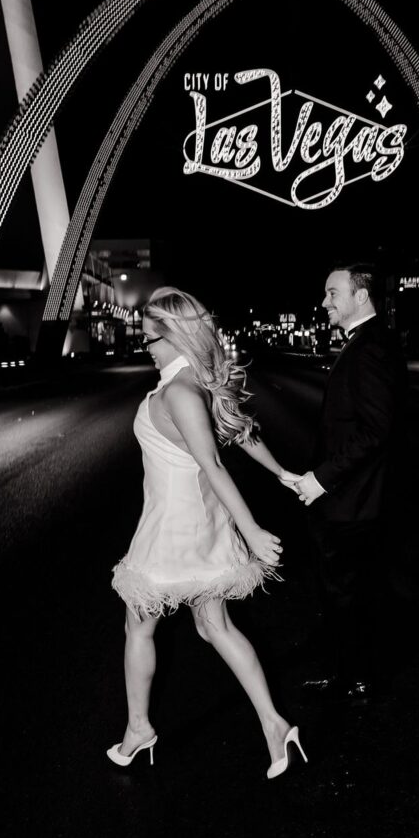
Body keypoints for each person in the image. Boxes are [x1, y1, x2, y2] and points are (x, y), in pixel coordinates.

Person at [109, 287, 307, 779]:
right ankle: (274, 725)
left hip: (173, 526)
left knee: (139, 625)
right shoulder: (196, 382)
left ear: (175, 336)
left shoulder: (178, 391)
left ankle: (138, 730)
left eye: (151, 337)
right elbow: (240, 431)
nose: (146, 345)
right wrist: (282, 473)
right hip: (201, 522)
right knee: (213, 626)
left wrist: (255, 531)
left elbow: (214, 462)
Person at [293, 262, 419, 702]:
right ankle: (364, 668)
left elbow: (376, 430)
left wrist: (322, 479)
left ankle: (357, 679)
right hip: (360, 495)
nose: (325, 302)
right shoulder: (367, 343)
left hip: (356, 498)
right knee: (373, 582)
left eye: (332, 293)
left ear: (361, 296)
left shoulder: (371, 348)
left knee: (347, 588)